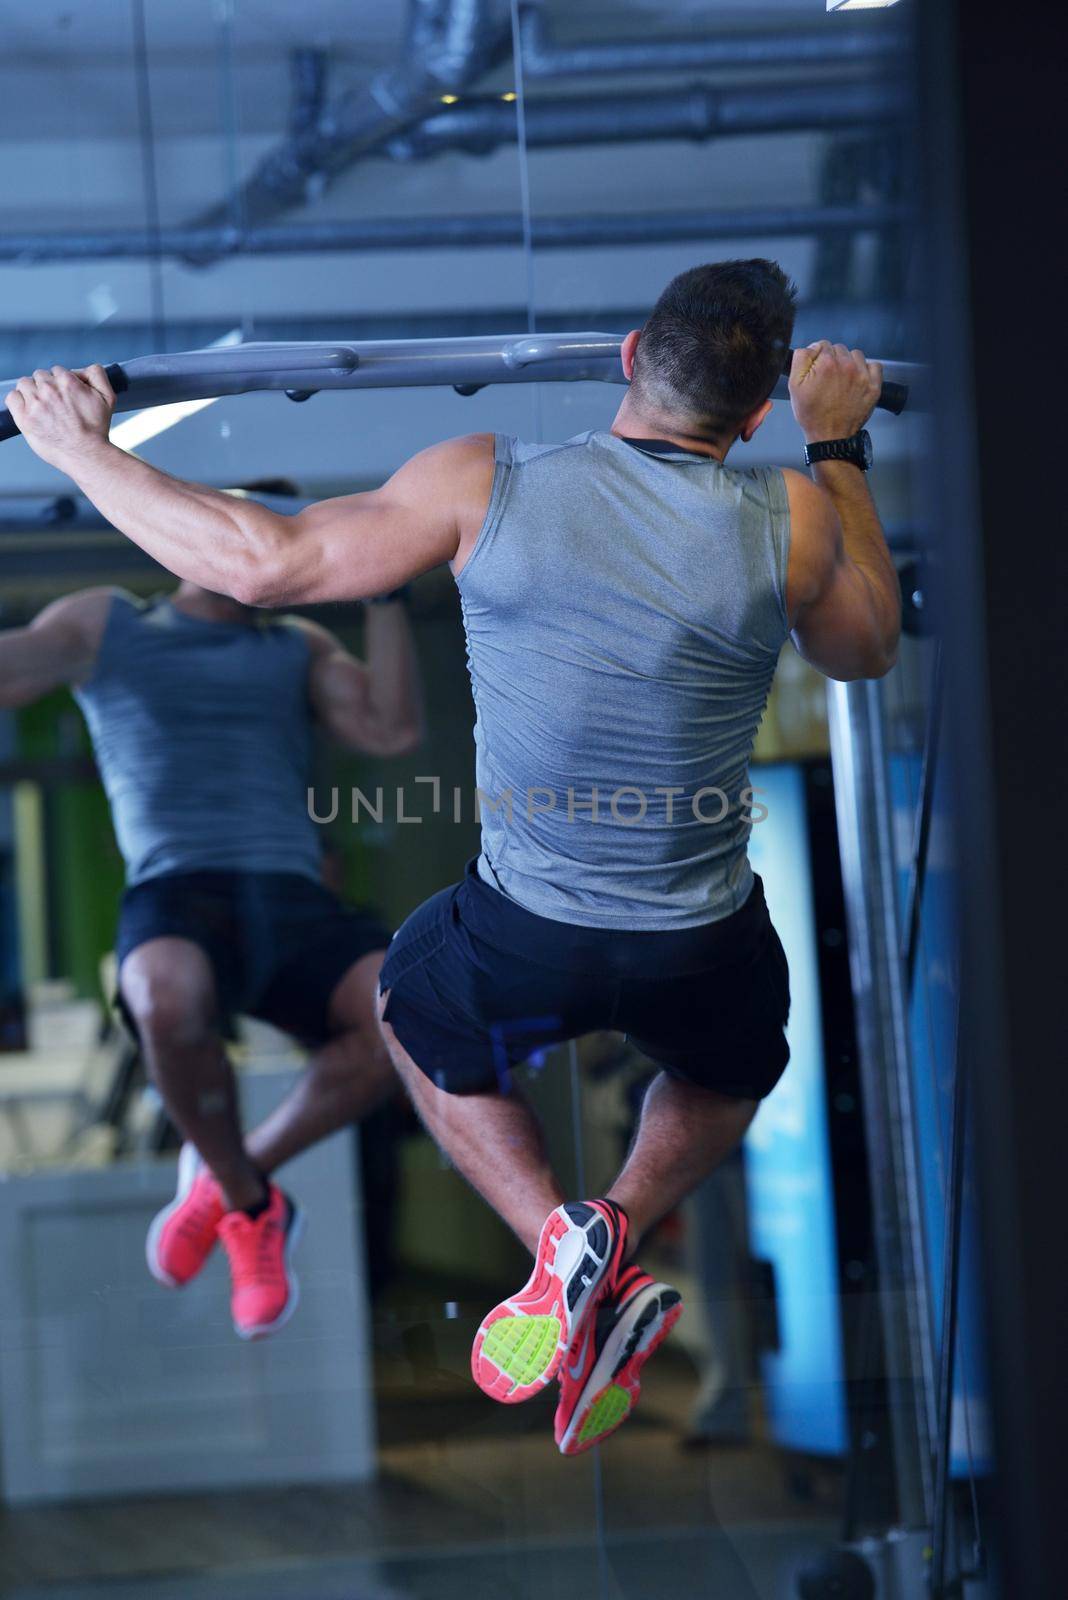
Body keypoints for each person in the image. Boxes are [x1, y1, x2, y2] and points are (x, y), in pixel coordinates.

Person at [6, 257, 900, 1446]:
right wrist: (836, 453)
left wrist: (78, 450)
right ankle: (615, 1227)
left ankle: (562, 1242)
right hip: (699, 930)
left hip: (530, 930)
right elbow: (869, 648)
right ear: (756, 416)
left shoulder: (489, 481)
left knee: (414, 1014)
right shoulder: (788, 510)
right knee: (730, 1070)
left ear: (630, 354)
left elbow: (263, 562)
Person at [0, 565, 423, 1338]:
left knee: (408, 1016)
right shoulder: (109, 622)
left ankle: (233, 1180)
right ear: (198, 542)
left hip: (289, 889)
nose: (273, 558)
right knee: (163, 995)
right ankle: (250, 1201)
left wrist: (385, 592)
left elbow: (389, 732)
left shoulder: (297, 642)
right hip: (177, 885)